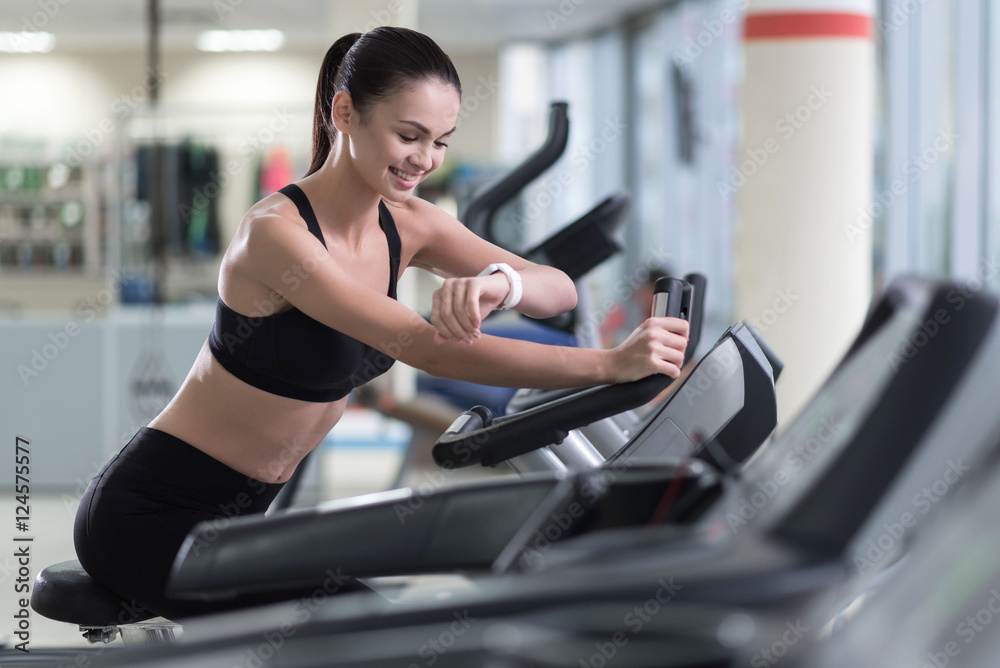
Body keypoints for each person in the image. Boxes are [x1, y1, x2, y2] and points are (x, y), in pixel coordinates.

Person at [73, 26, 689, 620]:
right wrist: (609, 365)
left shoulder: (409, 222)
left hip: (241, 517)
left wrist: (502, 282)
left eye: (441, 141)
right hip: (151, 515)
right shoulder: (276, 237)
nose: (425, 159)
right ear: (345, 113)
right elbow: (430, 349)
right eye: (409, 135)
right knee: (358, 629)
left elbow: (556, 289)